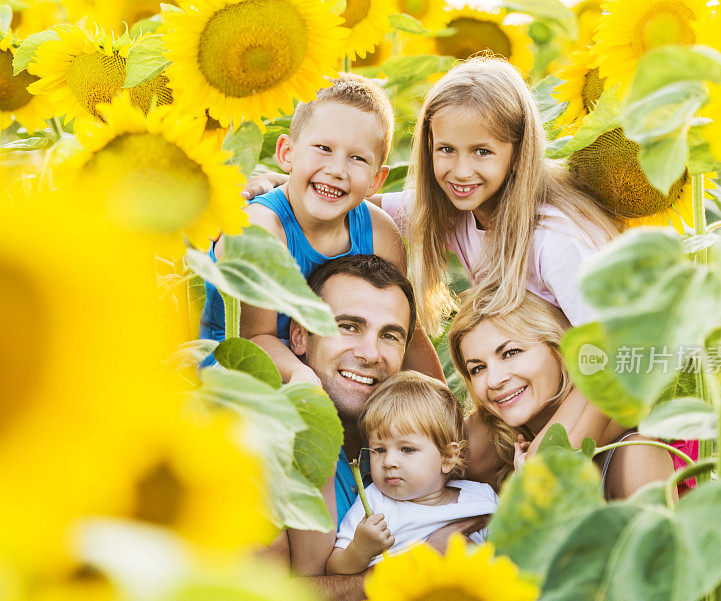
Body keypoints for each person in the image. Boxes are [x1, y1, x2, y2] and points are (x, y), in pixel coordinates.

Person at [242, 57, 626, 476]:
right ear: (429, 149)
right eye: (446, 150)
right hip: (525, 387)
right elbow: (357, 200)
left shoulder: (553, 237)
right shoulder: (457, 208)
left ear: (518, 154)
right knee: (455, 464)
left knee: (538, 478)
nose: (461, 171)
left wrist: (560, 443)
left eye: (482, 152)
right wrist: (282, 182)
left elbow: (614, 349)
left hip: (603, 388)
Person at [235, 256, 479, 601]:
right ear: (300, 337)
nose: (371, 352)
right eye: (348, 326)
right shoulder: (256, 452)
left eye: (390, 335)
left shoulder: (420, 458)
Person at [199, 73, 442, 382]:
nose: (337, 170)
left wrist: (443, 409)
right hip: (240, 378)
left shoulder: (379, 233)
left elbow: (406, 331)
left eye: (357, 158)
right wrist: (305, 379)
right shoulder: (262, 230)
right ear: (287, 153)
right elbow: (255, 338)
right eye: (324, 148)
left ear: (376, 181)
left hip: (335, 369)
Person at [326, 371, 498, 601]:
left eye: (407, 449)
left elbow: (512, 549)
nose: (389, 461)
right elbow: (335, 566)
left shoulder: (480, 499)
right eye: (379, 449)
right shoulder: (373, 501)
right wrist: (361, 548)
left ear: (448, 458)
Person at [448, 285, 683, 497]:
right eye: (477, 368)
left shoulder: (635, 456)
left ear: (558, 348)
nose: (494, 380)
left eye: (511, 353)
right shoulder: (488, 451)